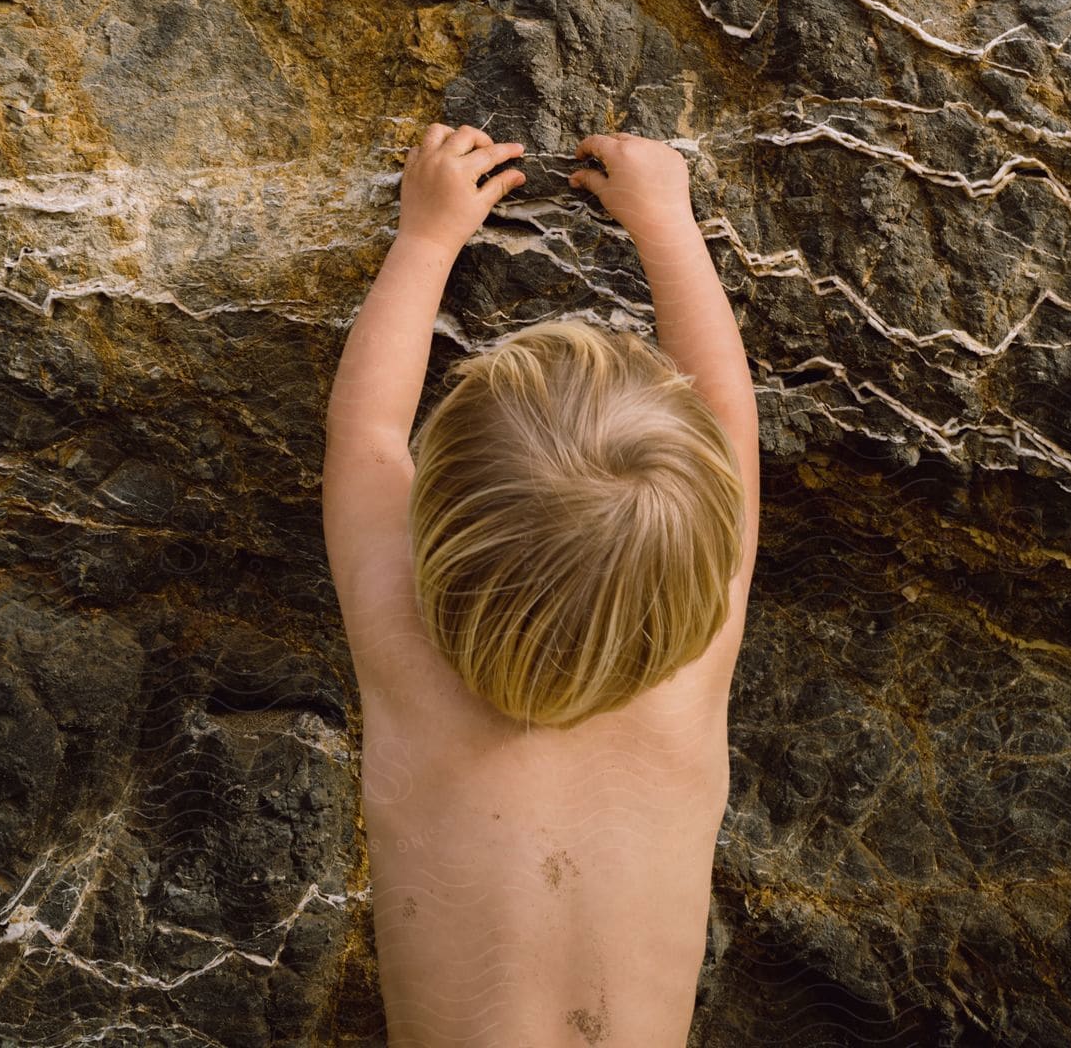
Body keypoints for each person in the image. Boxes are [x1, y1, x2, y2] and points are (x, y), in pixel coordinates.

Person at [323, 124, 760, 1047]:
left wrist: (427, 236)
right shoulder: (699, 639)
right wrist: (668, 223)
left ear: (434, 532)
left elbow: (365, 436)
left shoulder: (406, 649)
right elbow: (728, 416)